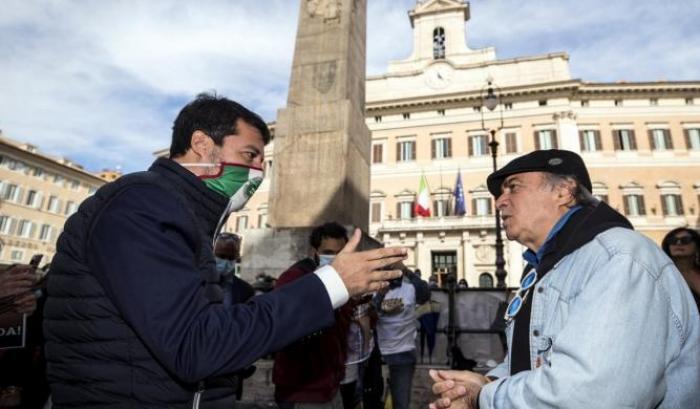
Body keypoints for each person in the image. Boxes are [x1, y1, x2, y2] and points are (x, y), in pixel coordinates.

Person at [43, 93, 406, 408]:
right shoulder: (141, 205)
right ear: (202, 143)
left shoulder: (178, 213)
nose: (258, 171)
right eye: (250, 155)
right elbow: (195, 346)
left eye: (262, 161)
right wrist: (333, 283)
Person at [429, 149, 700, 409]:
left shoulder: (618, 259)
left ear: (563, 191)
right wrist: (489, 380)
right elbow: (535, 360)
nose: (500, 201)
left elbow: (595, 394)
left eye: (513, 187)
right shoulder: (544, 267)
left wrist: (484, 397)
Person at [272, 222, 353, 409]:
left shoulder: (343, 282)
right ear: (315, 251)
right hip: (301, 390)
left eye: (339, 253)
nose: (334, 258)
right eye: (328, 252)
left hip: (331, 386)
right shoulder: (293, 279)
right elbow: (284, 327)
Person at [374, 263, 430, 409]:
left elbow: (425, 294)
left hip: (403, 354)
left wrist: (407, 271)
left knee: (400, 403)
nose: (389, 272)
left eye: (393, 268)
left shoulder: (409, 288)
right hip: (378, 355)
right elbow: (370, 313)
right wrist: (380, 295)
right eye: (386, 268)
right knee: (375, 401)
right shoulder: (374, 290)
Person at [662, 227, 700, 310]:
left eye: (685, 240)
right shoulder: (662, 274)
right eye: (673, 241)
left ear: (697, 246)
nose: (678, 243)